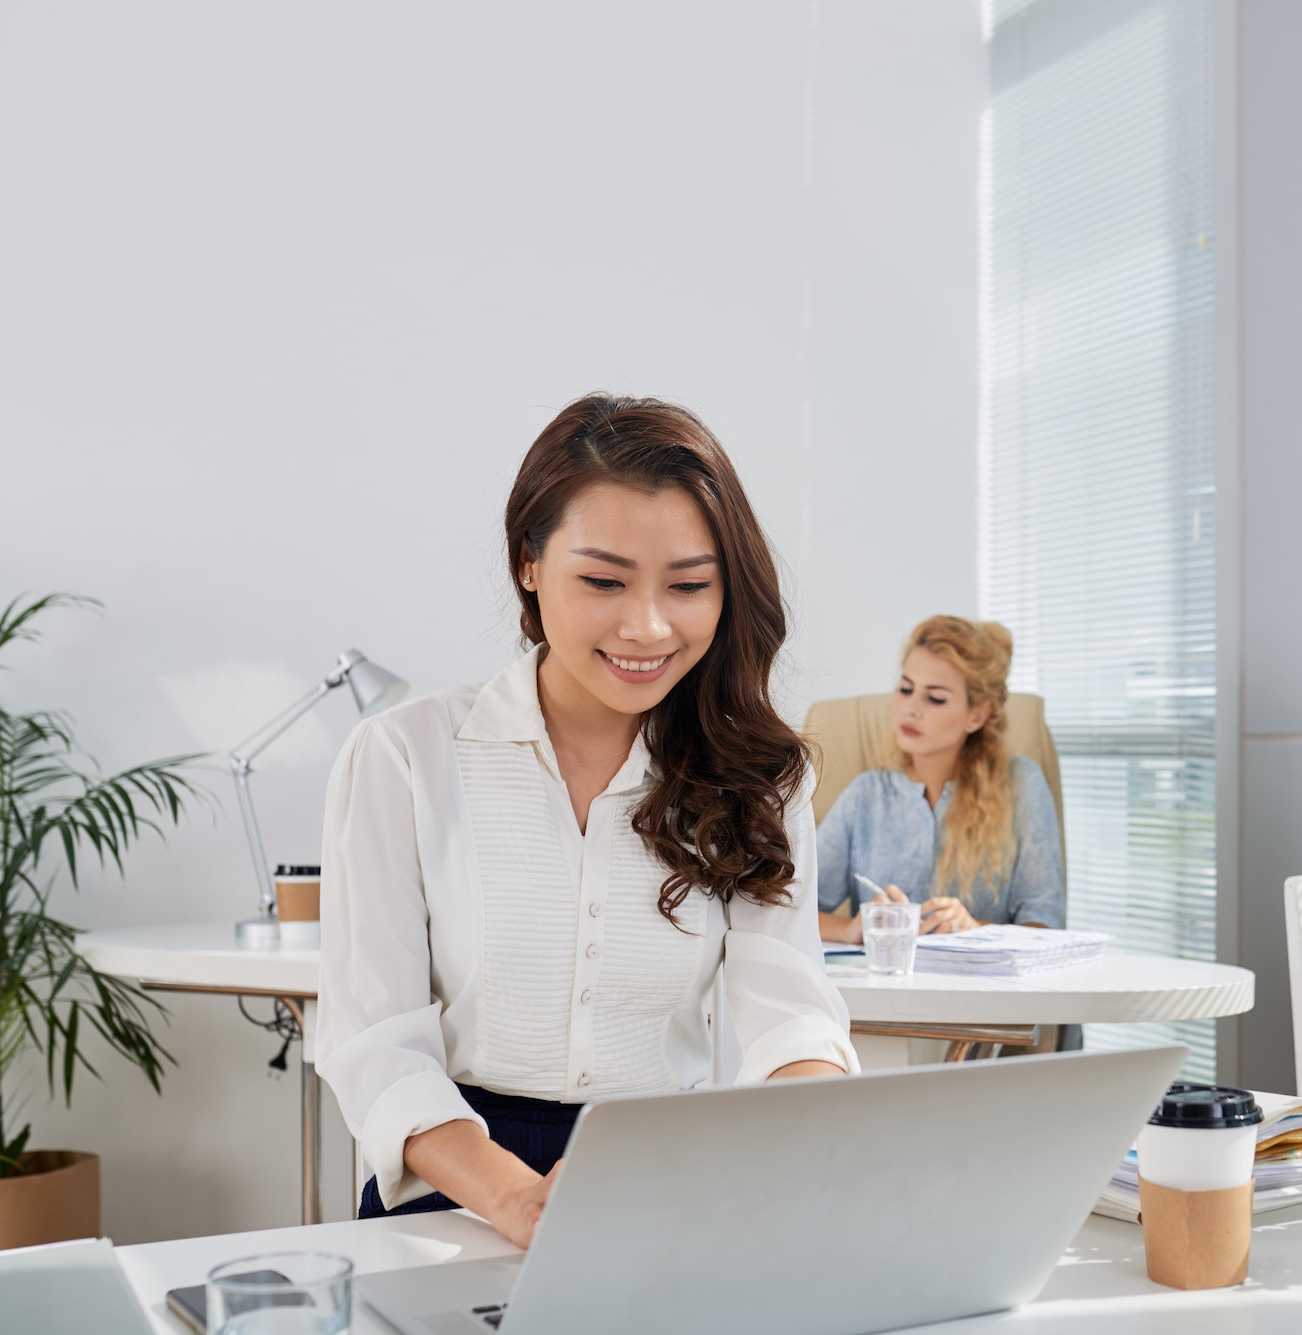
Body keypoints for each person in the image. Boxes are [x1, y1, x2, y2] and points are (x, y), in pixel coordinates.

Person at [317, 395, 857, 1249]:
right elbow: (375, 1041)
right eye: (603, 581)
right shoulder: (403, 756)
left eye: (689, 585)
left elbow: (788, 1013)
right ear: (528, 564)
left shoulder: (759, 775)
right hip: (451, 1176)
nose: (647, 625)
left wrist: (801, 1130)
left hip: (659, 1176)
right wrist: (516, 1198)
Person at [815, 616, 1064, 942]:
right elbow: (789, 910)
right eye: (905, 689)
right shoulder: (866, 795)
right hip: (885, 987)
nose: (910, 709)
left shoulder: (1022, 786)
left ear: (976, 716)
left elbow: (1046, 928)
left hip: (982, 990)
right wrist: (850, 929)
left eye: (935, 698)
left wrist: (973, 929)